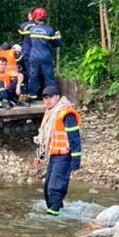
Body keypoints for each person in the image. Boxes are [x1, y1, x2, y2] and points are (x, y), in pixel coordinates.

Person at [33, 85, 81, 216]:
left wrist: (76, 161)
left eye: (50, 97)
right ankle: (59, 212)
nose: (47, 100)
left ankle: (52, 218)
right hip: (54, 155)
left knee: (55, 188)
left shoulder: (66, 114)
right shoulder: (50, 113)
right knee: (47, 187)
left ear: (58, 98)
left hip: (65, 156)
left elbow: (75, 138)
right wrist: (39, 156)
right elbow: (46, 138)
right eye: (45, 98)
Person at [27, 7, 61, 100]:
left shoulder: (32, 30)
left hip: (34, 57)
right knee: (49, 77)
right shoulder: (49, 30)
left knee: (33, 76)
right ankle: (53, 96)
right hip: (46, 57)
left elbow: (30, 43)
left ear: (34, 17)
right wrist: (58, 38)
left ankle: (32, 95)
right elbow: (56, 44)